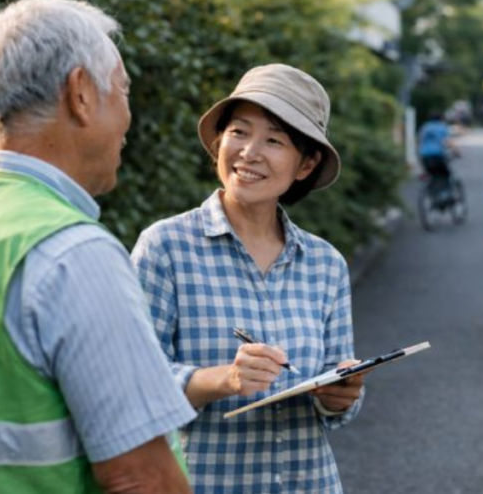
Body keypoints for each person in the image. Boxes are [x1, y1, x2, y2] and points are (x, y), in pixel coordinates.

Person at [0, 0, 196, 493]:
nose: (127, 119)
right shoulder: (75, 256)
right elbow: (141, 477)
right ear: (80, 93)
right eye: (122, 90)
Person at [130, 64, 365, 494]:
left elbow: (338, 403)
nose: (249, 152)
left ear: (306, 163)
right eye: (239, 132)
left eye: (274, 140)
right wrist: (225, 380)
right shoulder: (165, 247)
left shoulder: (325, 263)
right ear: (220, 140)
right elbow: (132, 388)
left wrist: (340, 394)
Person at [418, 112, 459, 200]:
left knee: (431, 174)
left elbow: (420, 141)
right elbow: (448, 142)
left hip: (424, 156)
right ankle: (445, 194)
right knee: (445, 174)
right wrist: (456, 152)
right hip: (438, 156)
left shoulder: (425, 127)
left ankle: (433, 195)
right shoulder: (441, 127)